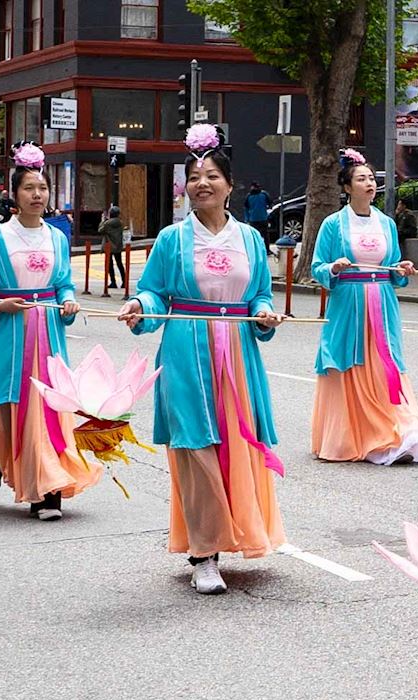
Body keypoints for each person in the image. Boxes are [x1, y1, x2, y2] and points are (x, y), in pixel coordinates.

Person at [117, 124, 287, 596]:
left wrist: (263, 314)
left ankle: (238, 532)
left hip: (238, 355)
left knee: (235, 444)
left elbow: (260, 294)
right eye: (194, 177)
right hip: (186, 350)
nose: (202, 184)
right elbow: (154, 292)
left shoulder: (250, 239)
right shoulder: (172, 239)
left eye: (212, 175)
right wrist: (140, 306)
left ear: (230, 185)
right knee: (195, 447)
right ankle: (203, 553)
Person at [0, 141, 100, 521]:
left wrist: (67, 302)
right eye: (29, 188)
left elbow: (63, 283)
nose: (37, 195)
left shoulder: (57, 238)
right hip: (11, 335)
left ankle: (46, 491)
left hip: (48, 335)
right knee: (3, 409)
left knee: (45, 408)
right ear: (15, 195)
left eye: (43, 188)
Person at [310, 148, 418, 465]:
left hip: (383, 304)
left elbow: (392, 268)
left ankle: (402, 430)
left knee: (386, 362)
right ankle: (357, 436)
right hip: (348, 304)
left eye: (372, 179)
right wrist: (334, 268)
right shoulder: (333, 224)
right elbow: (317, 267)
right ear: (347, 187)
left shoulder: (386, 223)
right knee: (349, 363)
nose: (369, 184)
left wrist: (401, 269)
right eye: (361, 179)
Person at [97, 205, 127, 290]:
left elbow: (100, 230)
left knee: (110, 265)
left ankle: (113, 282)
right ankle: (124, 281)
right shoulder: (120, 223)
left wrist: (103, 220)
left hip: (109, 246)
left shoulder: (107, 223)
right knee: (119, 264)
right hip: (117, 245)